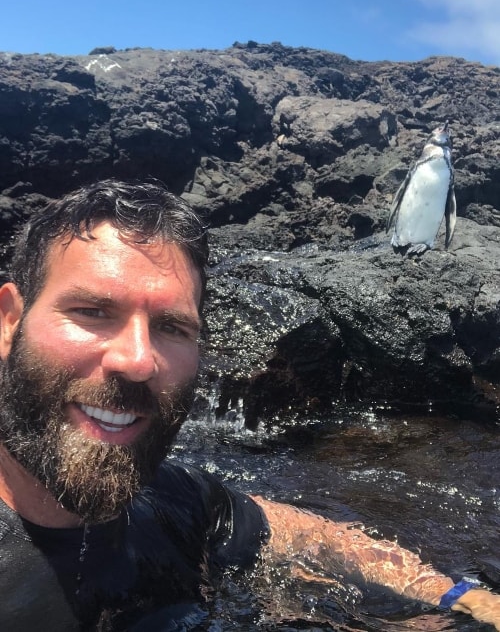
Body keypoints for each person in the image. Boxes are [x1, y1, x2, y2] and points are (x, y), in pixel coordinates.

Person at [0, 178, 498, 631]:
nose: (137, 361)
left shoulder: (169, 496)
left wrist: (460, 595)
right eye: (92, 311)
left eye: (172, 327)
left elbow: (283, 528)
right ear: (9, 321)